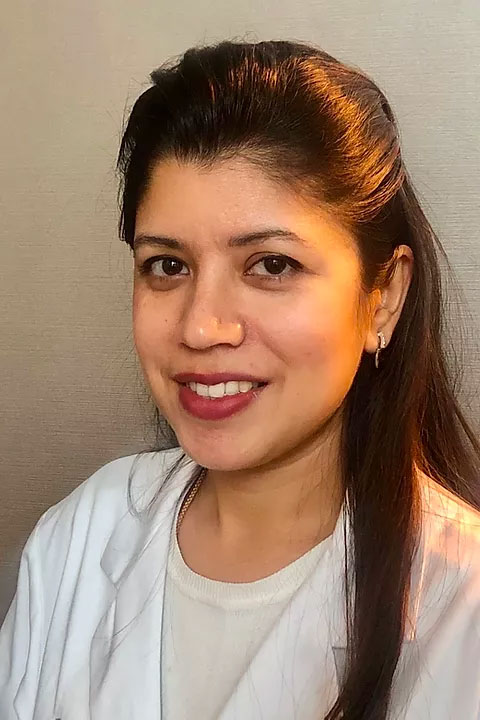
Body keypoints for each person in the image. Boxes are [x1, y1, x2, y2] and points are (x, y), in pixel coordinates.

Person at [1, 39, 480, 720]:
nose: (201, 327)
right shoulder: (80, 536)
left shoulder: (461, 606)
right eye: (167, 265)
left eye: (272, 265)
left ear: (384, 297)